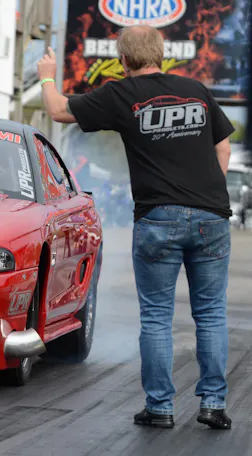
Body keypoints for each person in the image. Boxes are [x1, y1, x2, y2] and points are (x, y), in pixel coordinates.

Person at [37, 25, 234, 430]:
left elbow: (58, 110)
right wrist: (206, 192)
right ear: (161, 54)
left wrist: (47, 76)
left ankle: (160, 408)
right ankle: (213, 405)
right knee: (212, 313)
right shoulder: (196, 90)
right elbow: (223, 146)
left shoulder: (121, 94)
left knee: (157, 317)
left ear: (123, 59)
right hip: (211, 215)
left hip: (159, 217)